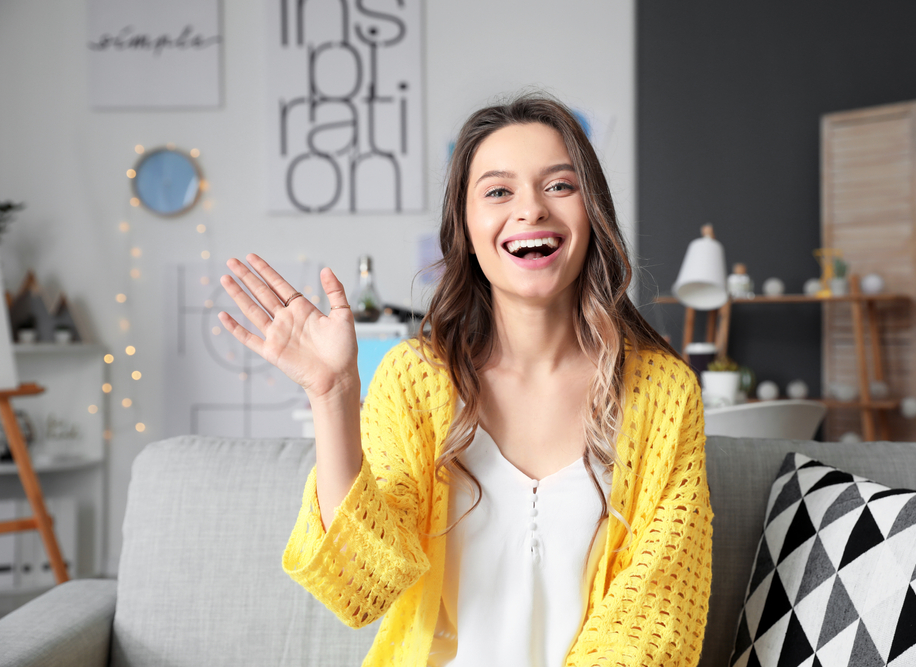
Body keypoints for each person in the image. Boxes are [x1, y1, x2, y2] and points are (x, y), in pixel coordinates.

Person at [219, 95, 712, 667]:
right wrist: (333, 396)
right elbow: (359, 589)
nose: (531, 210)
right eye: (499, 191)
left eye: (559, 185)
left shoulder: (664, 392)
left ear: (593, 212)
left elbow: (658, 614)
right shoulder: (416, 379)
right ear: (467, 229)